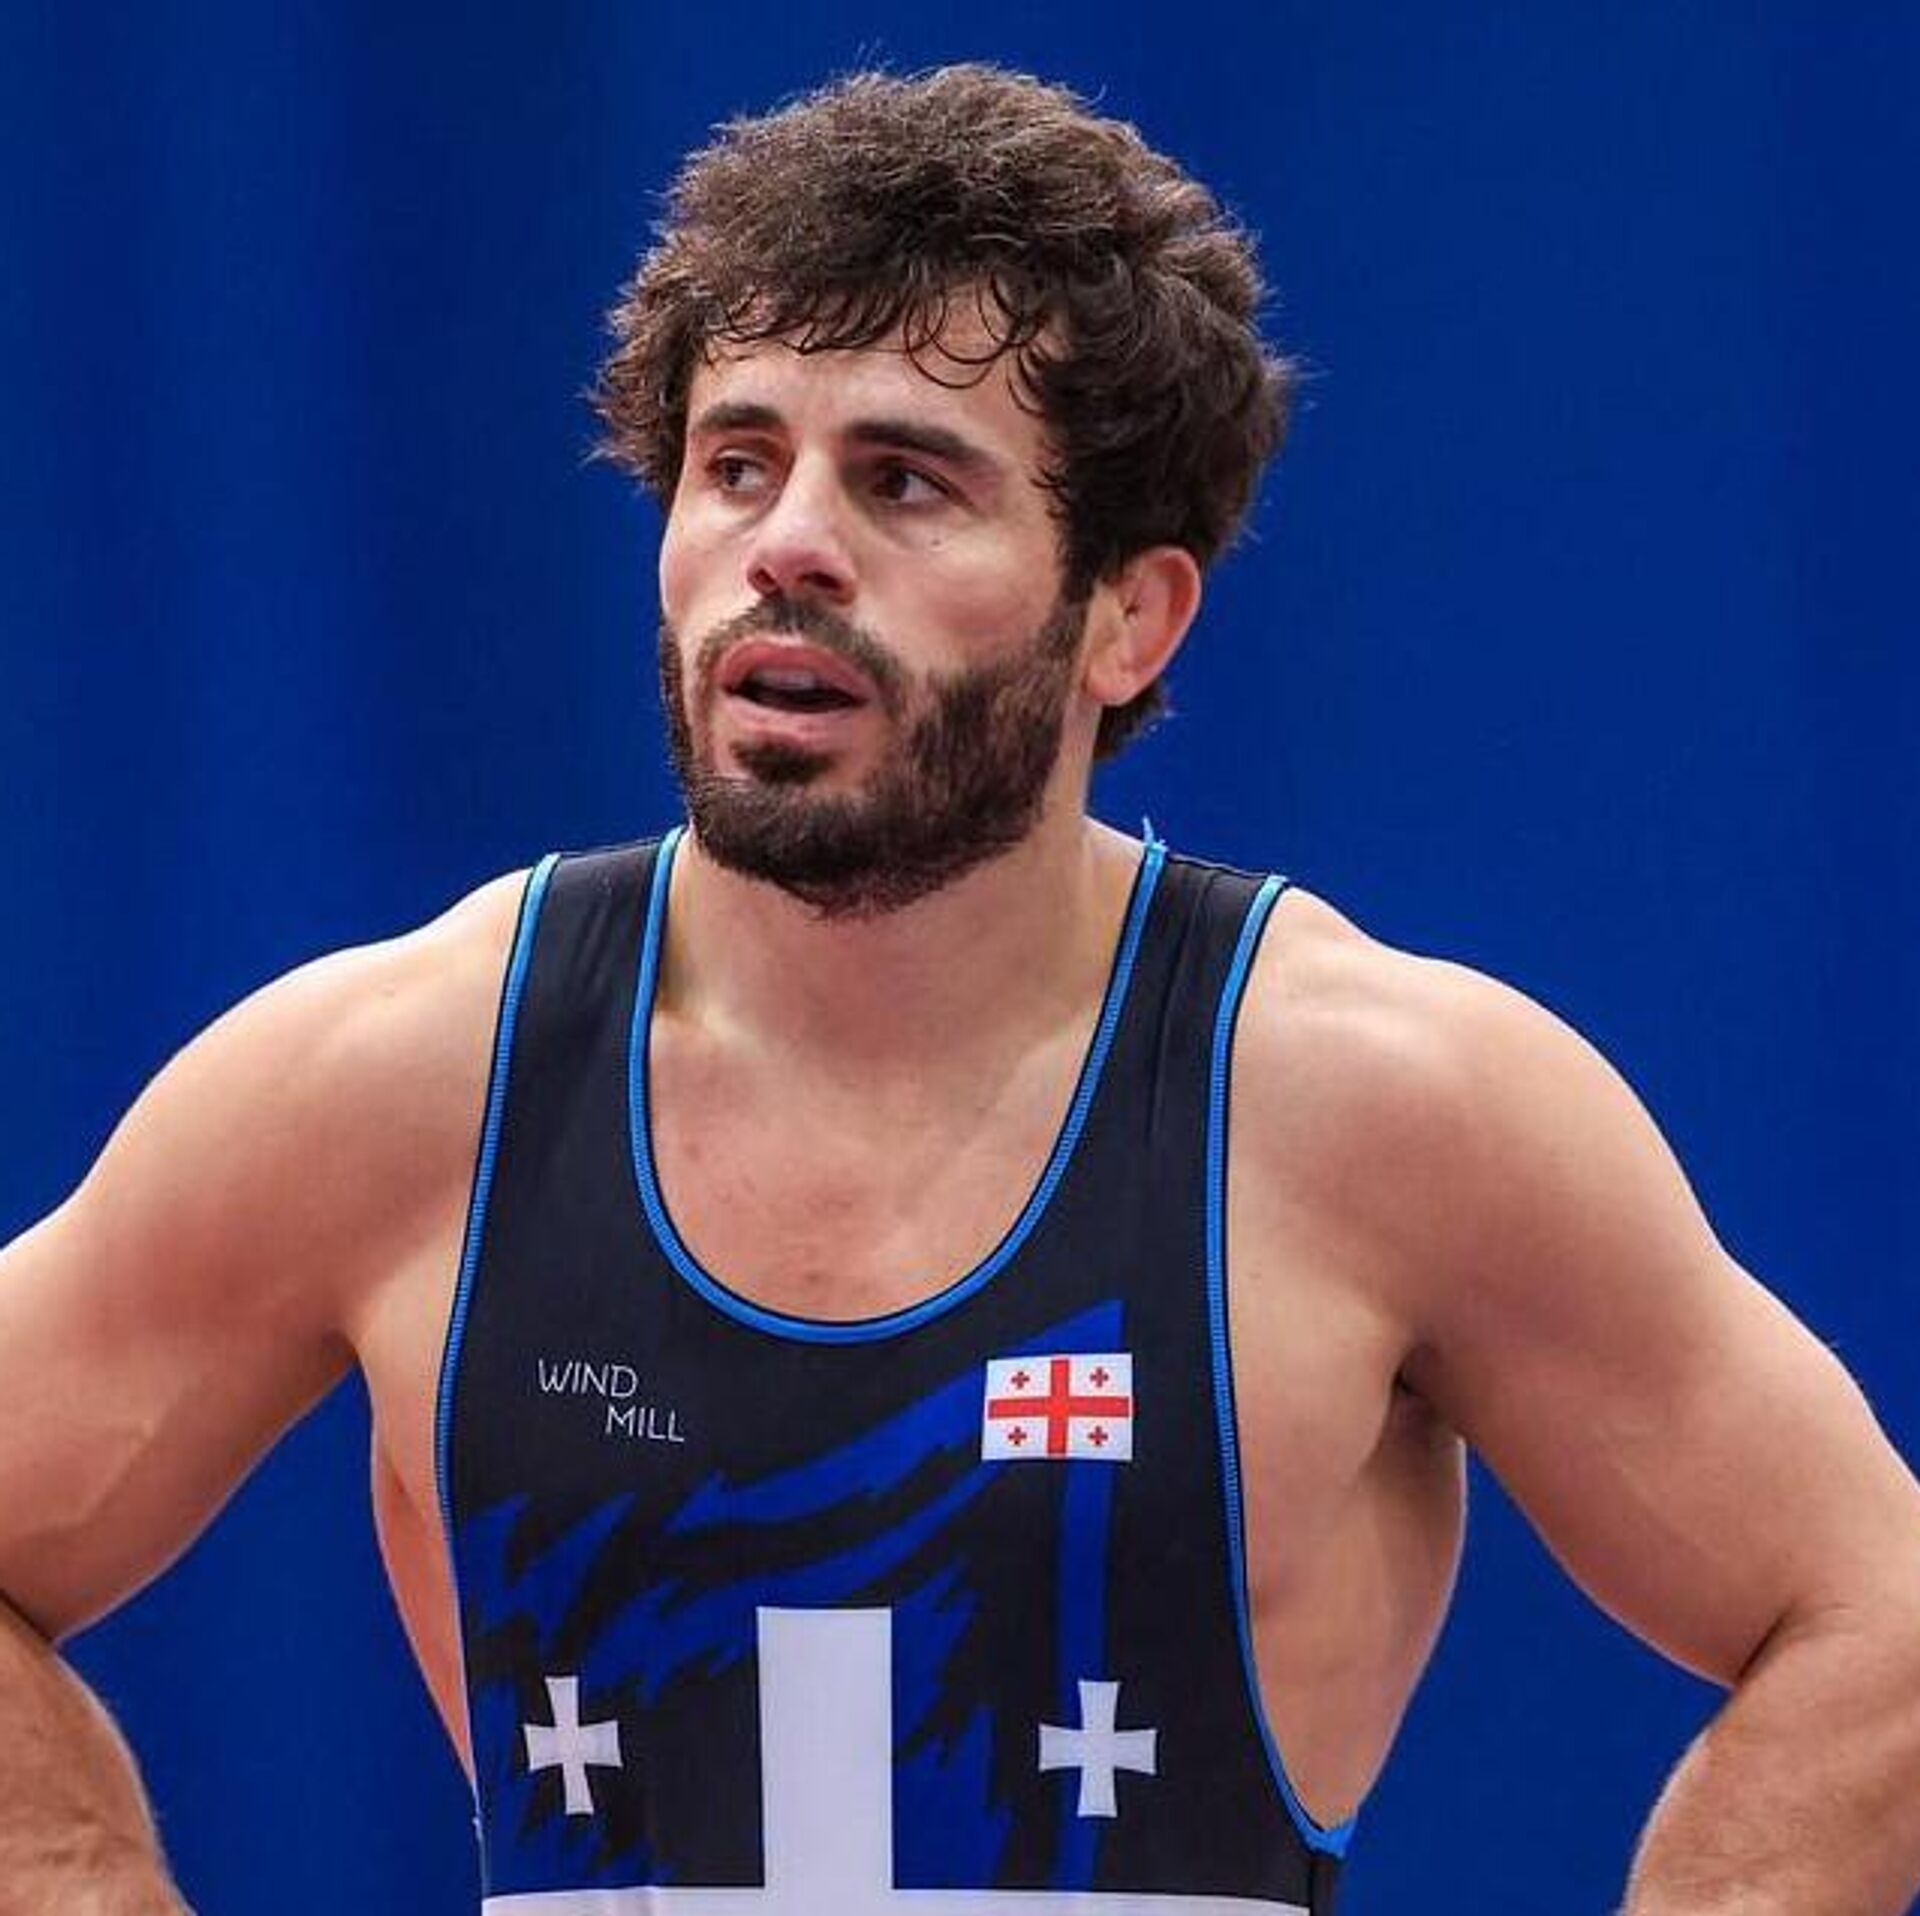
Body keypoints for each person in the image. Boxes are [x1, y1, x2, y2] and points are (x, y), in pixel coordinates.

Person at [2, 62, 1917, 1916]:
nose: (787, 549)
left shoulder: (1380, 1107)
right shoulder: (400, 1083)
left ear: (1127, 618)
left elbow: (1881, 1617)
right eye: (734, 466)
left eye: (904, 482)